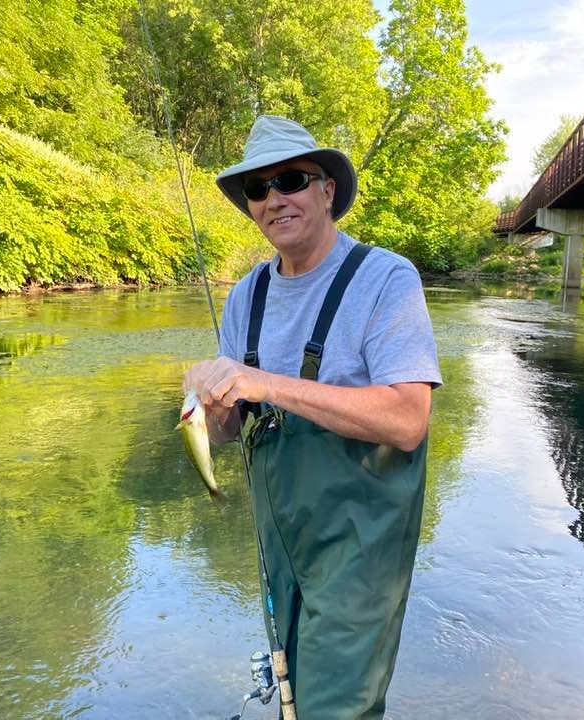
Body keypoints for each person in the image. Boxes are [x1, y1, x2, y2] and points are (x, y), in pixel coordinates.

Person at [183, 115, 442, 719]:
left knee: (339, 706)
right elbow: (228, 428)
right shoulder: (245, 293)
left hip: (361, 544)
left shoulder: (386, 278)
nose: (275, 199)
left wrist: (264, 382)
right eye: (258, 189)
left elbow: (408, 420)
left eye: (292, 180)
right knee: (293, 690)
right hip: (279, 536)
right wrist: (204, 407)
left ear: (327, 189)